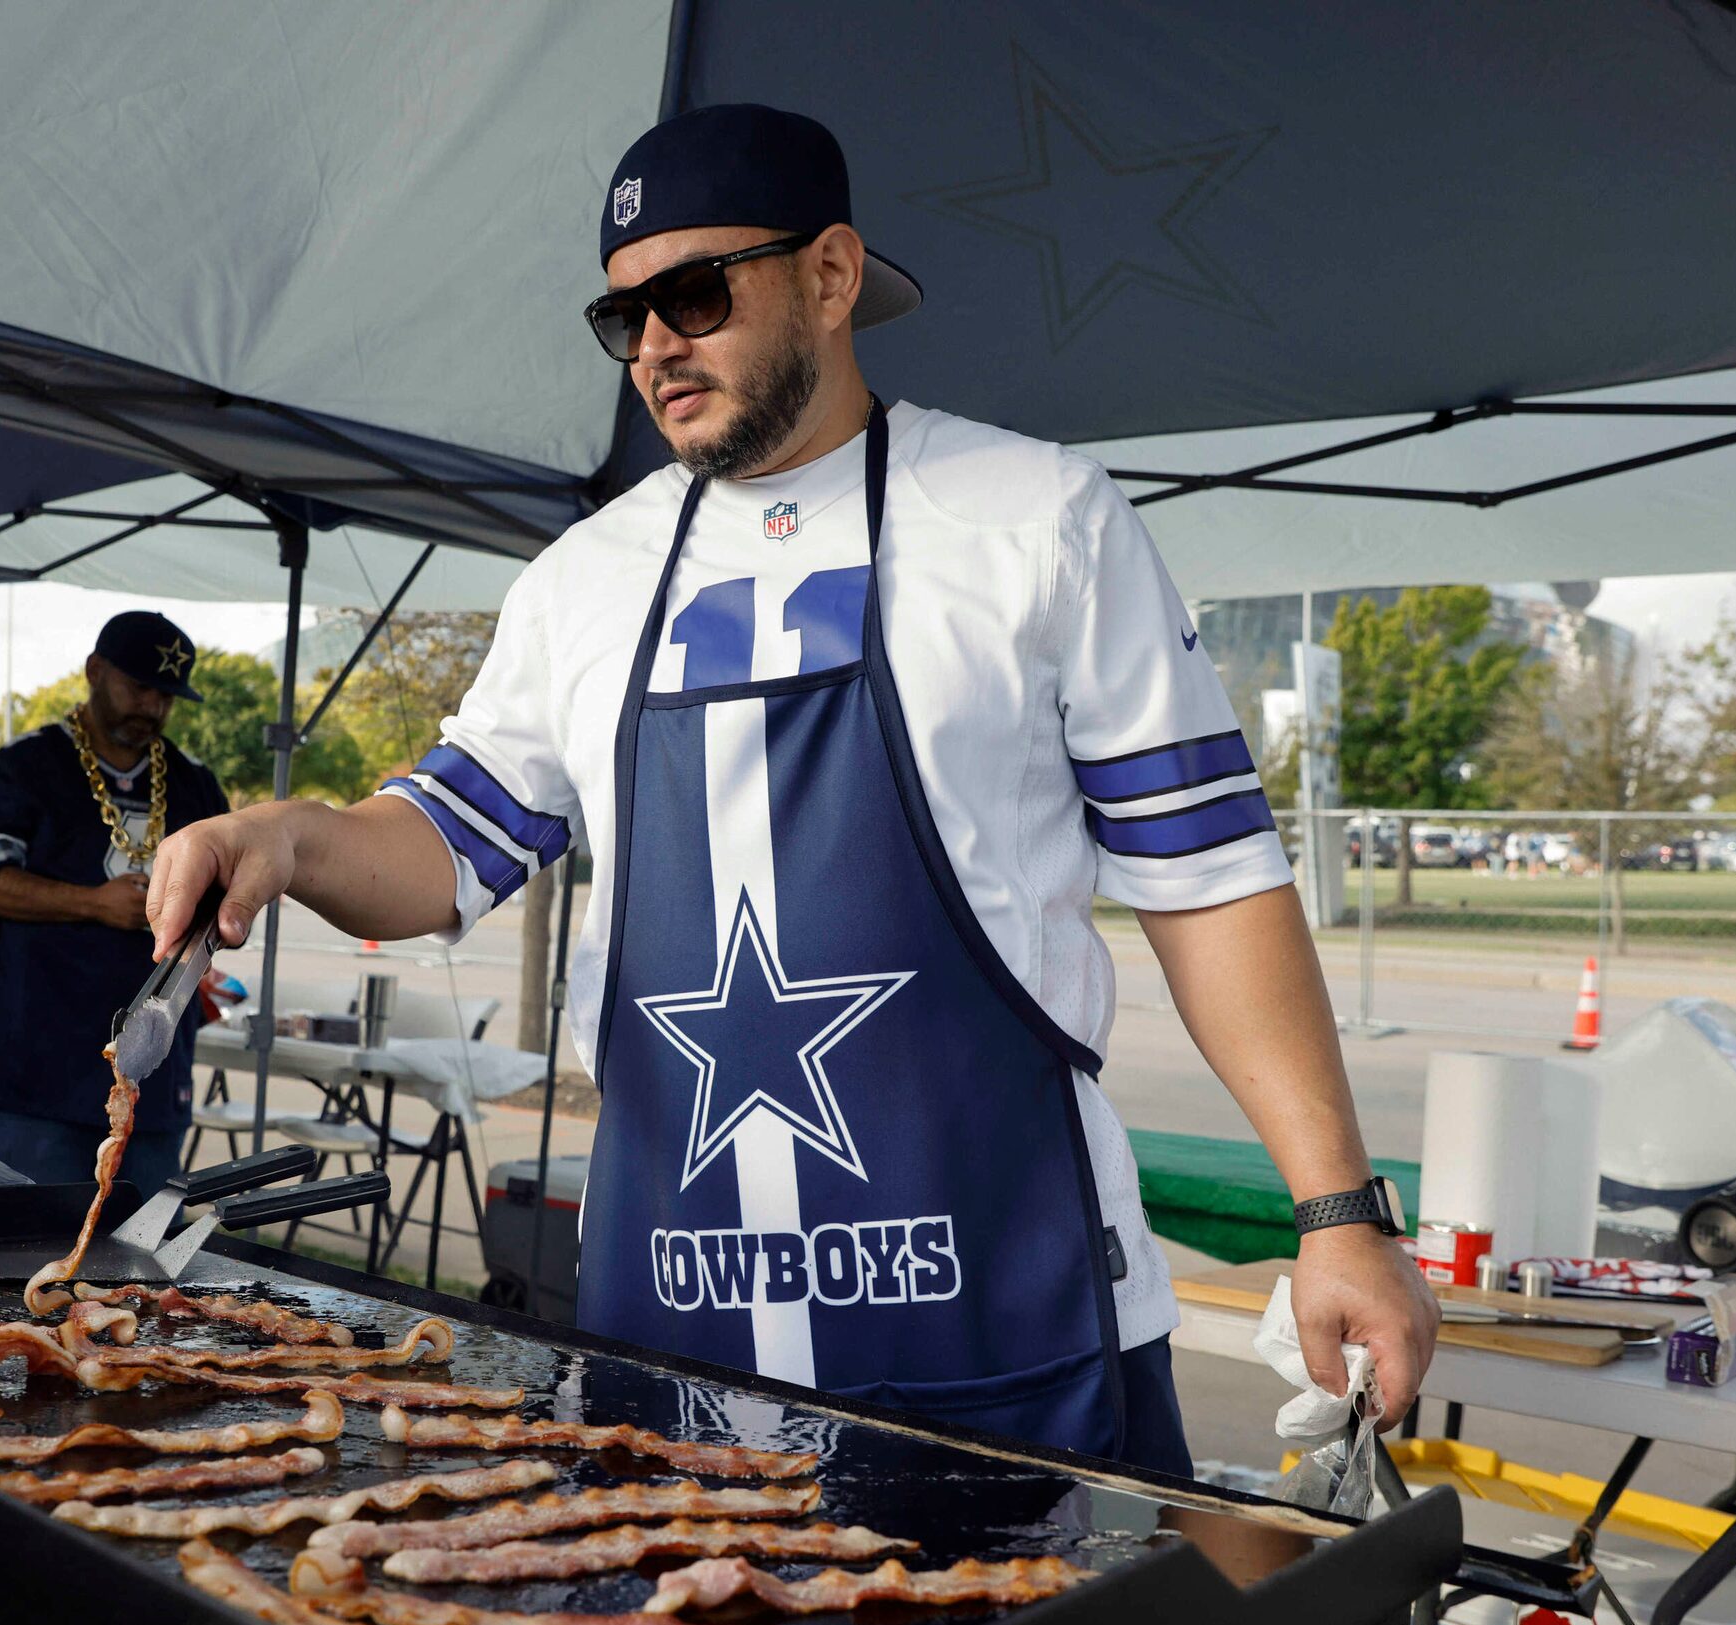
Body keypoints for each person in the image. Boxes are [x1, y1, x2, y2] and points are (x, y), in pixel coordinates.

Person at [146, 104, 1437, 1472]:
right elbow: (446, 846)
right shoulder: (585, 577)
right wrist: (284, 831)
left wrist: (1337, 1209)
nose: (653, 346)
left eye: (694, 295)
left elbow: (1211, 878)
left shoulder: (1035, 516)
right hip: (668, 1335)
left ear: (830, 276)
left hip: (1005, 1325)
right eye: (623, 317)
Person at [0, 612, 230, 1193]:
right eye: (139, 687)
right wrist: (93, 904)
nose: (151, 706)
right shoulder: (23, 768)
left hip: (152, 1073)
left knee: (141, 1268)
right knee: (25, 1255)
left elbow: (227, 898)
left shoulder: (195, 784)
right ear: (95, 672)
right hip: (37, 1072)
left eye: (167, 696)